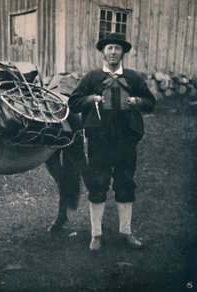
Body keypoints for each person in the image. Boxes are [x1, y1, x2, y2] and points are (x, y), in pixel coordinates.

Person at [68, 33, 156, 251]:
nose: (113, 52)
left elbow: (151, 103)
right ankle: (96, 234)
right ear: (103, 53)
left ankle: (126, 232)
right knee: (98, 184)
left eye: (117, 48)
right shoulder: (92, 78)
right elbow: (74, 102)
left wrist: (137, 101)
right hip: (99, 141)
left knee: (125, 182)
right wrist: (91, 99)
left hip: (126, 140)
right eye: (109, 48)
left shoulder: (133, 78)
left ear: (123, 53)